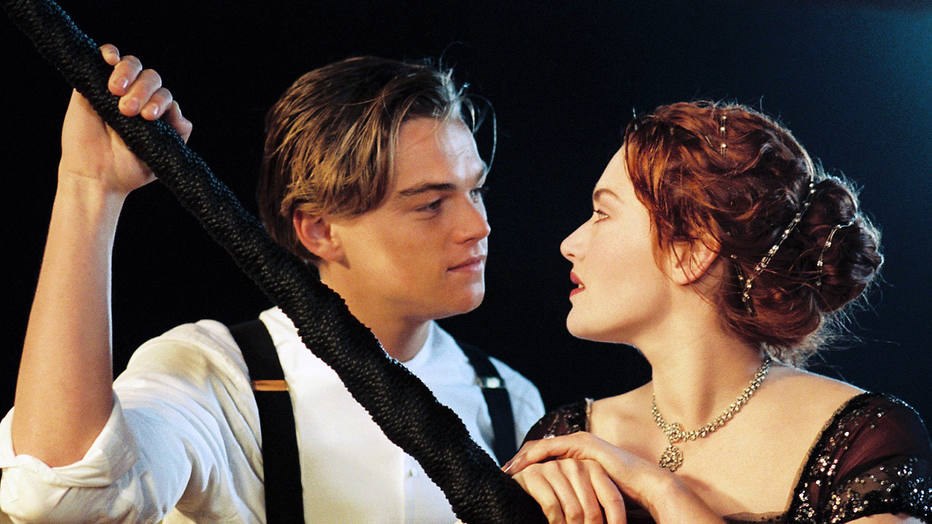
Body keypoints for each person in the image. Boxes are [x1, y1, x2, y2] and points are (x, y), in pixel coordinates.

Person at [0, 44, 544, 522]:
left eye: (475, 191)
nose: (478, 227)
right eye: (430, 204)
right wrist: (88, 188)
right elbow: (61, 496)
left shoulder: (508, 400)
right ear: (320, 230)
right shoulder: (214, 378)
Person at [503, 101, 931, 523]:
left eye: (602, 213)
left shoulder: (862, 440)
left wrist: (660, 490)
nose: (570, 244)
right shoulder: (564, 439)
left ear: (692, 251)